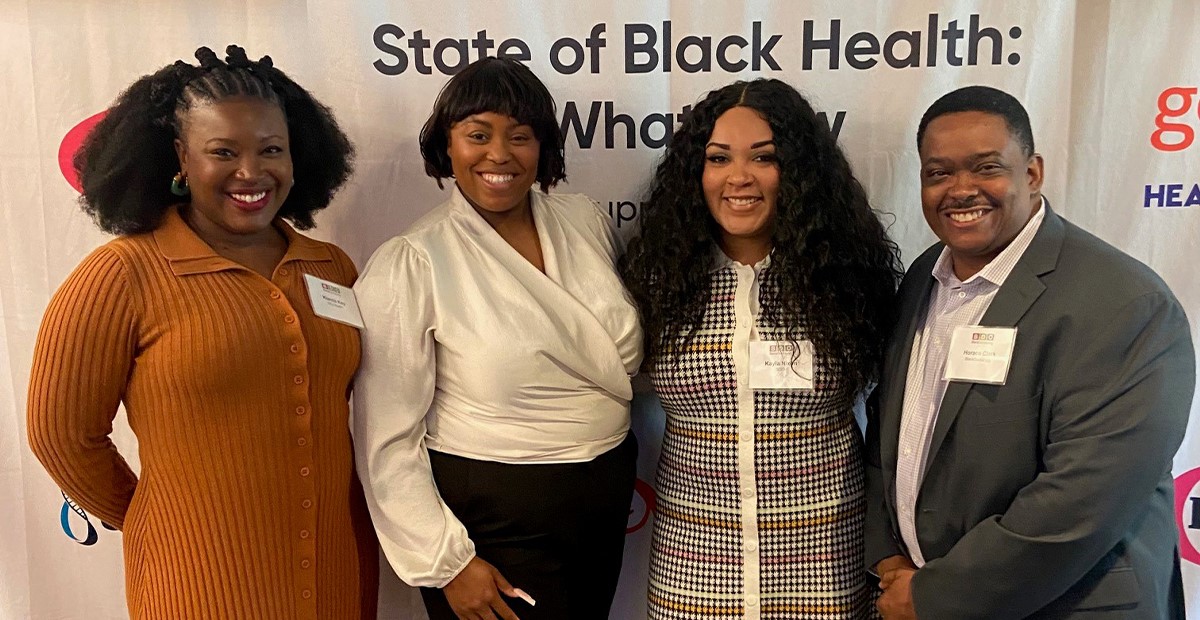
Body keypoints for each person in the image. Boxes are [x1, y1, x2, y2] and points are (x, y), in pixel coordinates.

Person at [26, 45, 378, 619]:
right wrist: (154, 518)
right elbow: (60, 433)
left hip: (334, 578)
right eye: (223, 152)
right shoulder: (122, 273)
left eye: (271, 150)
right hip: (196, 589)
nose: (251, 172)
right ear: (180, 159)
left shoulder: (330, 267)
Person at [865, 85, 1194, 619]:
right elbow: (888, 431)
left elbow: (1083, 501)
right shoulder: (924, 277)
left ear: (1033, 172)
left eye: (986, 167)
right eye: (938, 172)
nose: (961, 190)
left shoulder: (1124, 303)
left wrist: (935, 596)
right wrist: (888, 558)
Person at [352, 56, 642, 620]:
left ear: (543, 147)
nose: (499, 154)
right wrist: (447, 564)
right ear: (448, 145)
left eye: (521, 136)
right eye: (478, 134)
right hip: (492, 524)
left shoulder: (583, 221)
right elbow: (384, 434)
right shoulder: (412, 261)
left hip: (602, 502)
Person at [621, 78, 902, 619]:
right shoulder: (658, 281)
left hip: (823, 568)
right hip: (693, 569)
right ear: (695, 173)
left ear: (796, 173)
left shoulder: (847, 281)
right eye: (719, 158)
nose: (739, 178)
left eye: (764, 158)